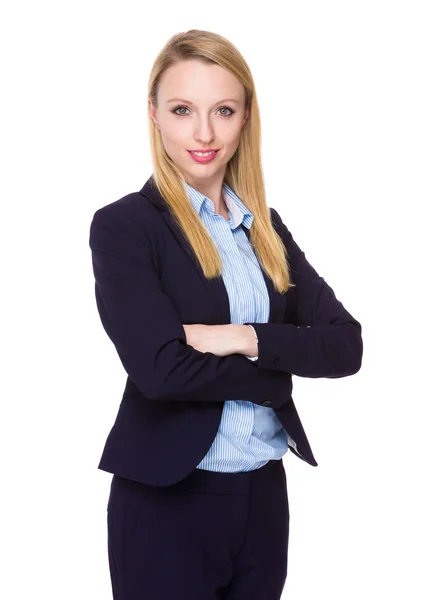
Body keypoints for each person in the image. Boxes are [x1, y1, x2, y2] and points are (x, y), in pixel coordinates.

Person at [89, 28, 363, 600]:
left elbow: (346, 345)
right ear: (155, 115)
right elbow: (160, 372)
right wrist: (279, 369)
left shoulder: (264, 228)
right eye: (183, 110)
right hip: (168, 500)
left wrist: (240, 337)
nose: (205, 132)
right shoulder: (125, 227)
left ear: (245, 118)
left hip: (262, 499)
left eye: (224, 110)